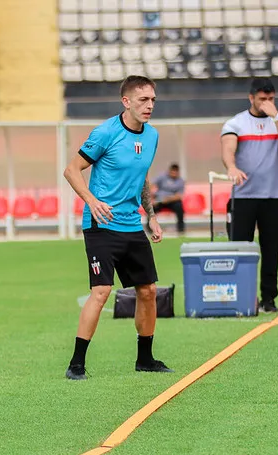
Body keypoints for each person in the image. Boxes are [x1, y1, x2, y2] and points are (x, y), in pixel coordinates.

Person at [63, 75, 172, 380]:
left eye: (152, 100)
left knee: (148, 290)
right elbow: (71, 170)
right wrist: (91, 201)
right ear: (126, 102)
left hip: (131, 225)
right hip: (101, 225)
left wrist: (150, 215)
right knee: (101, 291)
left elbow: (142, 178)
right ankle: (77, 364)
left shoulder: (151, 136)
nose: (149, 106)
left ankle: (145, 359)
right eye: (143, 100)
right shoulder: (105, 132)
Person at [221, 77, 278, 314]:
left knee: (271, 249)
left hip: (274, 197)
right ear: (252, 98)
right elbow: (228, 149)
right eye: (262, 99)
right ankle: (238, 297)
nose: (267, 103)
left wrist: (275, 116)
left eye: (270, 99)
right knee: (239, 249)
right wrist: (231, 166)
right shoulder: (236, 123)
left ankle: (268, 299)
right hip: (243, 197)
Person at [151, 163, 185, 235]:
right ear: (169, 171)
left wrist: (167, 199)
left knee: (179, 206)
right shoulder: (162, 176)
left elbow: (179, 196)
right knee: (151, 209)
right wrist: (151, 197)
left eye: (175, 172)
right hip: (159, 200)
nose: (174, 174)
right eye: (172, 172)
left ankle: (181, 229)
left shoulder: (180, 181)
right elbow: (152, 185)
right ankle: (150, 229)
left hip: (172, 201)